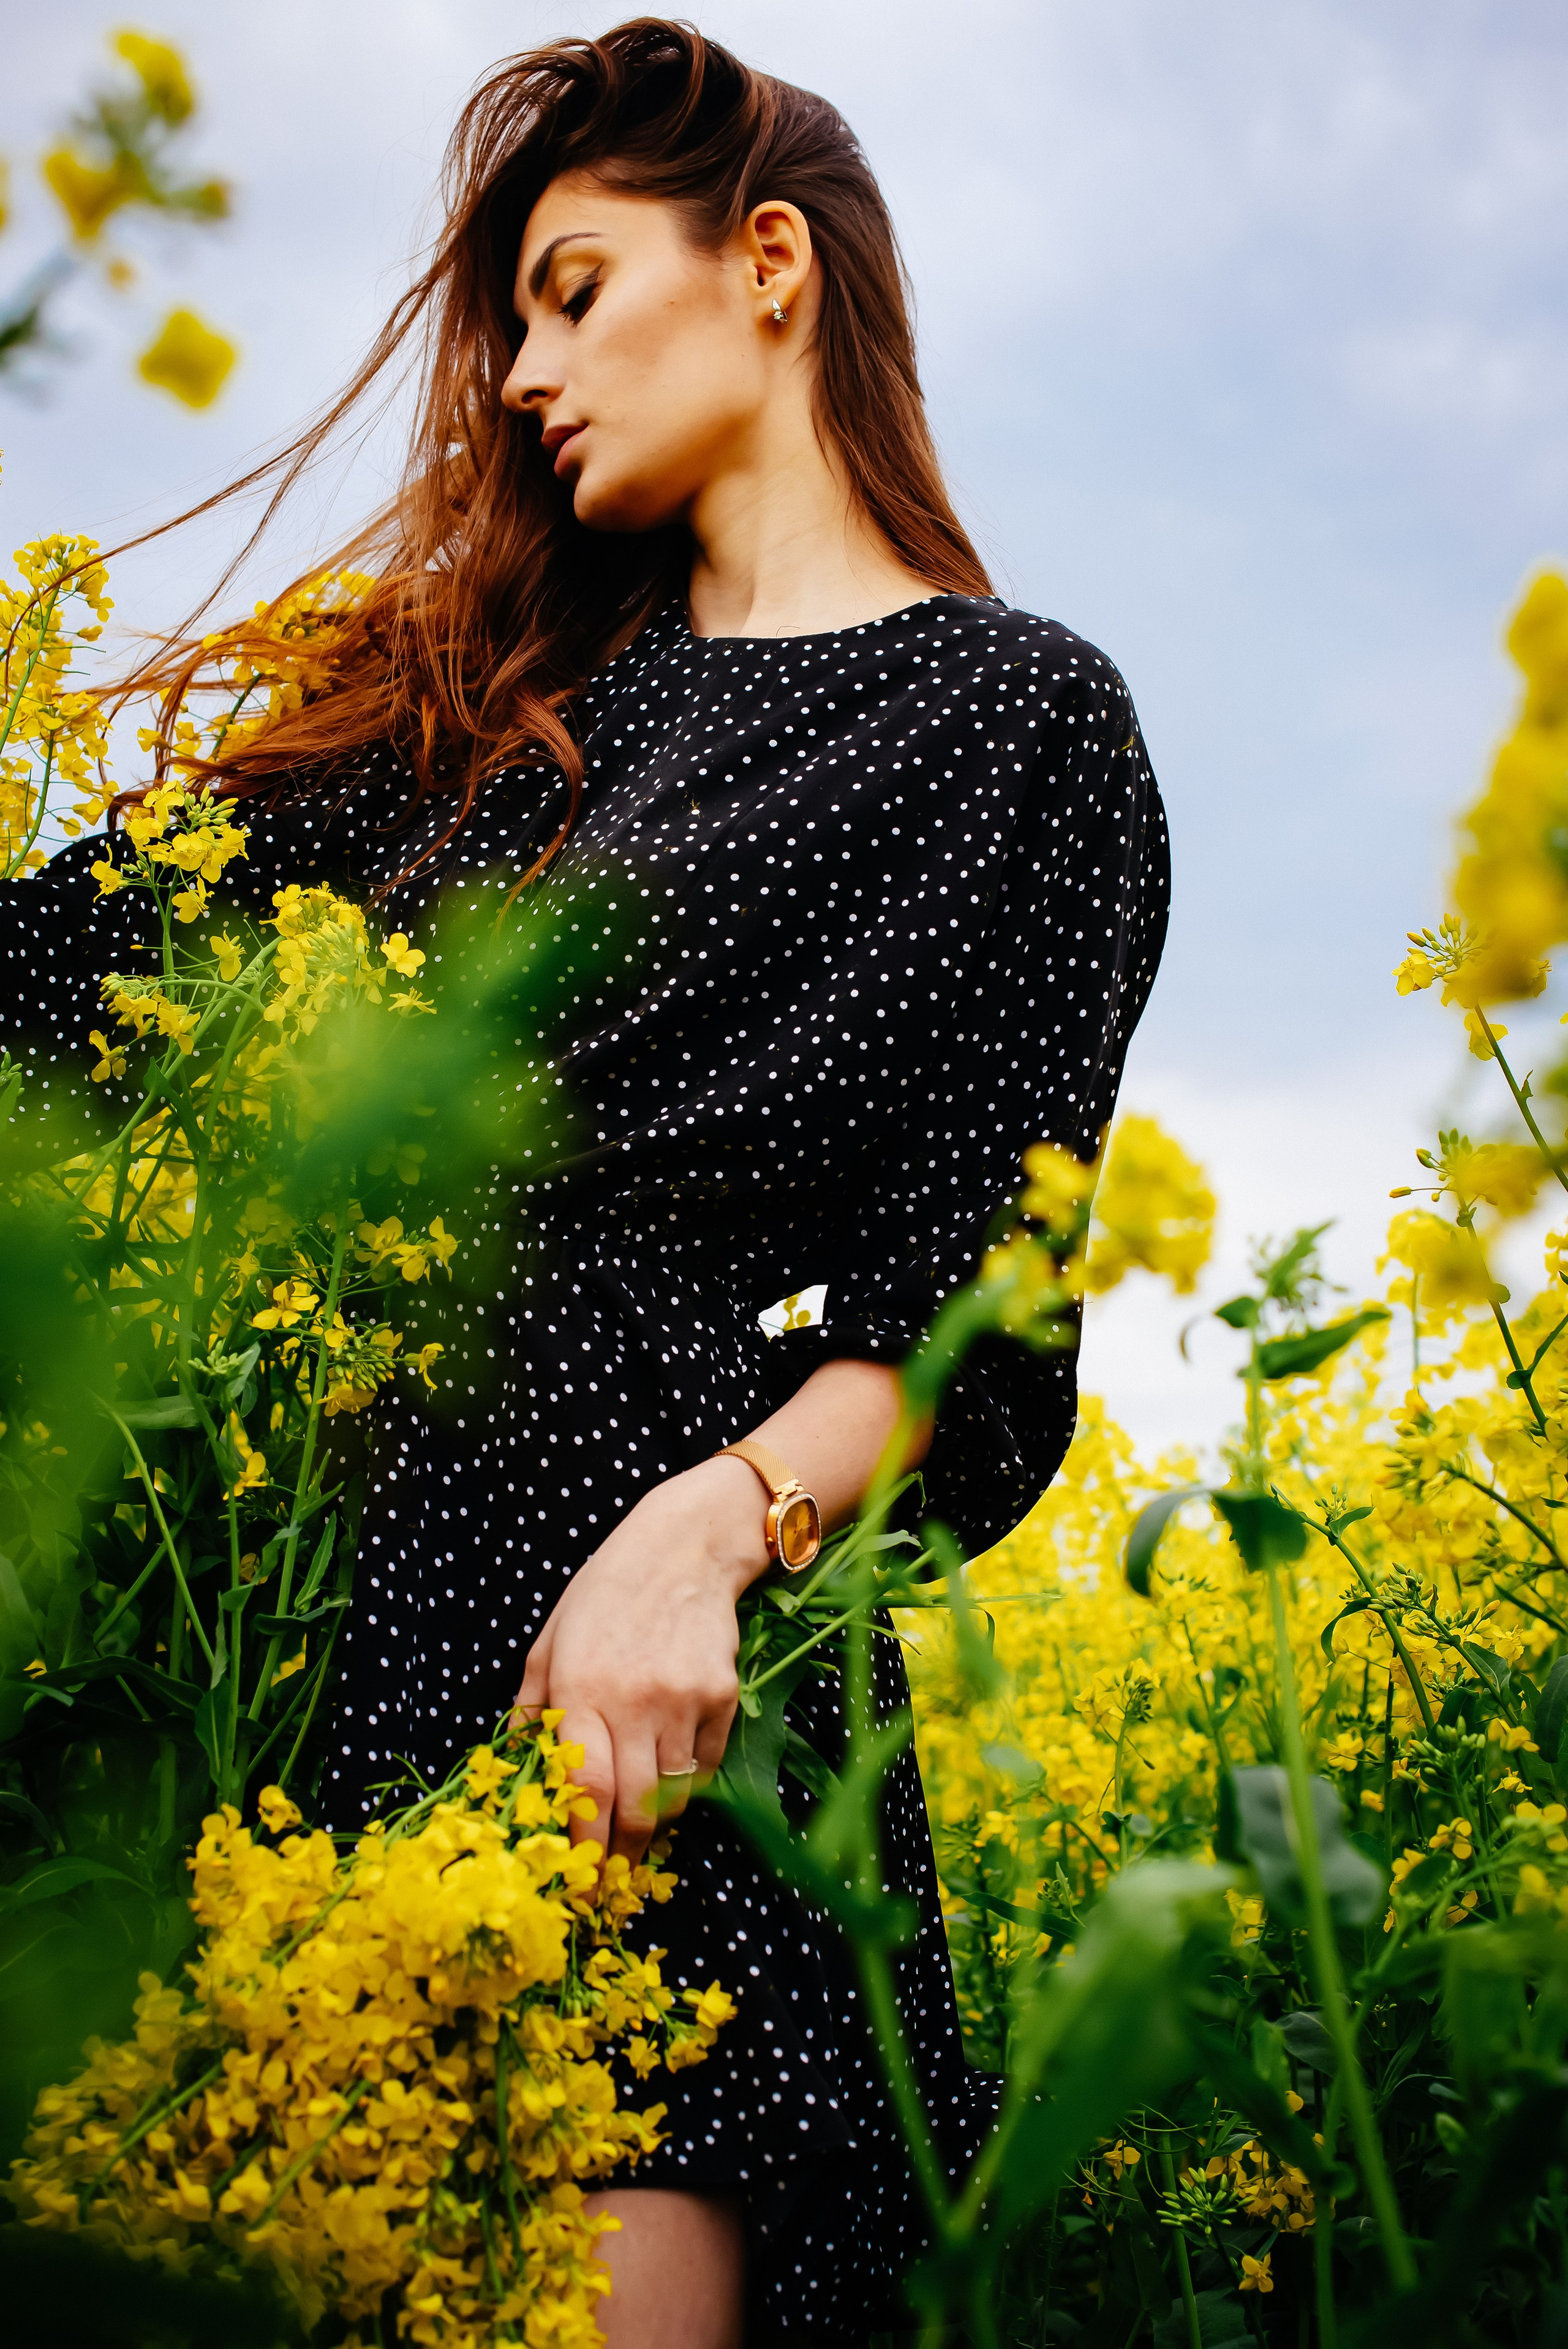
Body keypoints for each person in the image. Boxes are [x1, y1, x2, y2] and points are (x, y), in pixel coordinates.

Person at [2, 21, 1168, 2345]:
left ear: (764, 264)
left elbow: (976, 1321)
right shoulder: (472, 718)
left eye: (566, 288)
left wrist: (708, 1527)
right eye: (507, 325)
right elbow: (57, 981)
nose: (524, 373)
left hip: (639, 1691)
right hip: (278, 1658)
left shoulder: (1015, 722)